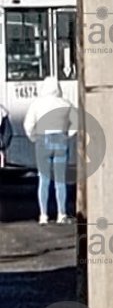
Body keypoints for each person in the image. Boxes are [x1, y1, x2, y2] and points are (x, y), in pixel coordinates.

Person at [23, 77, 73, 225]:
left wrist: (34, 138)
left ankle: (43, 214)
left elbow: (28, 124)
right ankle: (61, 213)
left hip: (43, 140)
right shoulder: (65, 103)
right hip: (61, 141)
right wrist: (67, 134)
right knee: (60, 180)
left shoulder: (37, 104)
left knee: (43, 180)